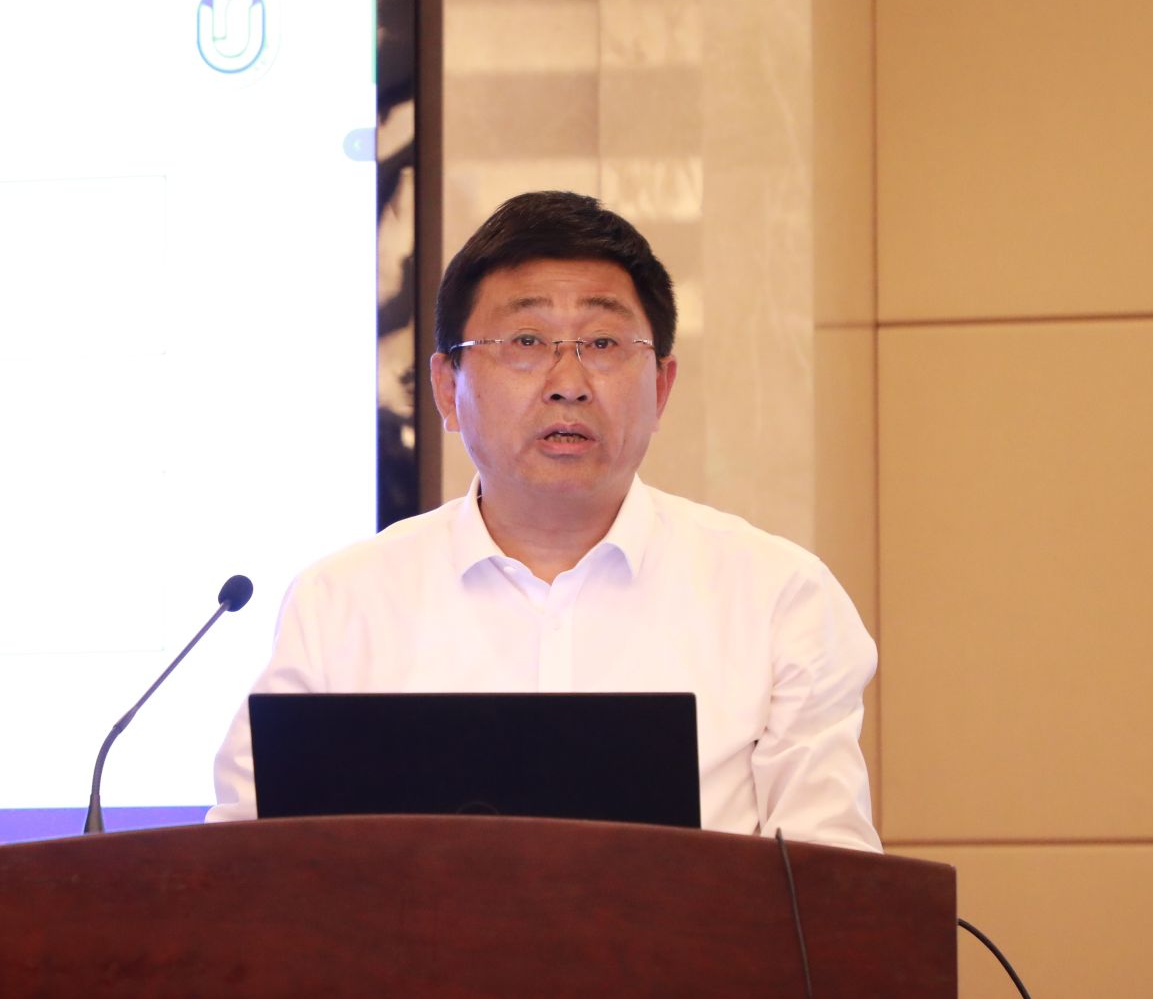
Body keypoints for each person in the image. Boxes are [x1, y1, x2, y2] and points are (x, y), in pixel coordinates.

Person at [208, 191, 880, 851]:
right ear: (447, 387)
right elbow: (239, 868)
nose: (569, 382)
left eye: (603, 341)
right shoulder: (339, 604)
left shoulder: (779, 598)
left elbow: (831, 889)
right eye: (526, 340)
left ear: (661, 386)